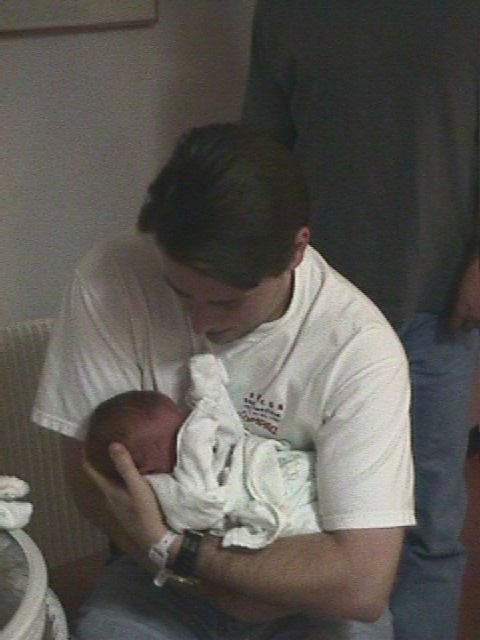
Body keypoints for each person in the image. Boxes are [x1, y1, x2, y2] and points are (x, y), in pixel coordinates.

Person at [32, 123, 415, 640]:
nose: (199, 324)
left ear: (297, 250)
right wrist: (183, 570)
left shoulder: (359, 348)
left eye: (226, 302)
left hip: (299, 594)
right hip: (155, 576)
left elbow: (362, 585)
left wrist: (178, 548)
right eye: (180, 293)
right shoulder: (113, 278)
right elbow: (91, 481)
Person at [241, 4, 480, 639]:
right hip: (314, 313)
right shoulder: (283, 12)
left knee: (429, 523)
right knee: (313, 513)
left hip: (433, 304)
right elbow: (262, 155)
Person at [85, 353, 320, 552]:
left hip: (268, 464)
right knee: (309, 523)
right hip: (272, 500)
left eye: (186, 422)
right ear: (144, 467)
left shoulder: (196, 439)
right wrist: (200, 428)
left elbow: (228, 427)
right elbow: (200, 513)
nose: (188, 429)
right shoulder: (163, 489)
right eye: (177, 435)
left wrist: (209, 388)